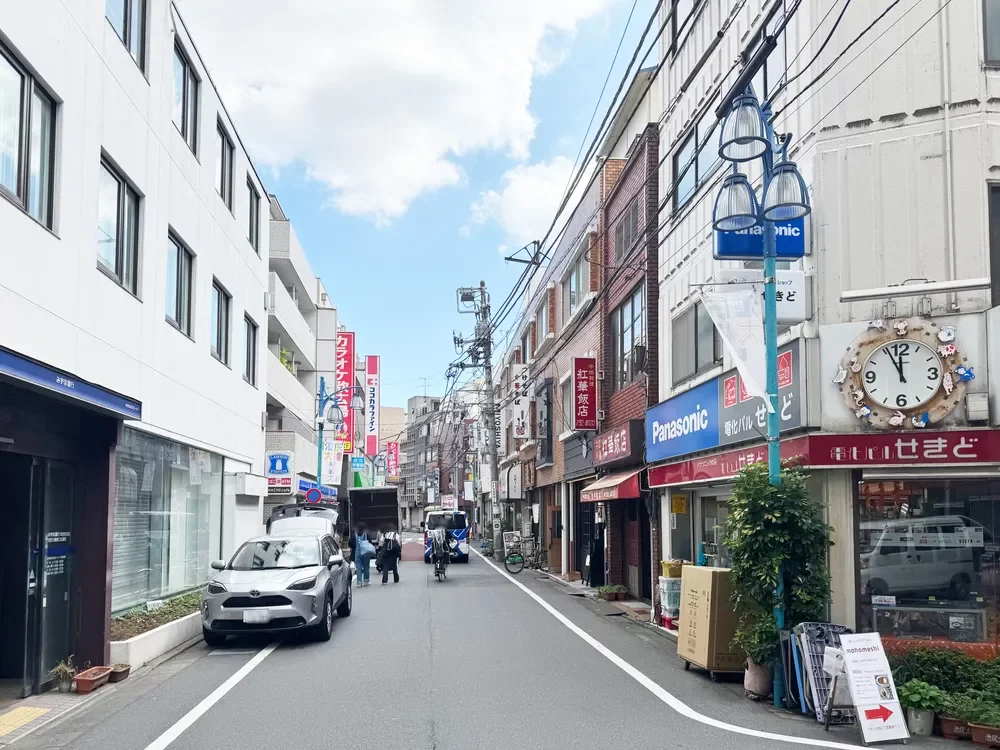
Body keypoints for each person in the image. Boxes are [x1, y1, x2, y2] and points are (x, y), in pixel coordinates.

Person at [348, 522, 374, 587]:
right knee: (366, 567)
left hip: (357, 553)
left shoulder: (355, 534)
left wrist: (354, 547)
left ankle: (359, 582)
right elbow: (370, 541)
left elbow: (350, 542)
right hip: (365, 553)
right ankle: (366, 580)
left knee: (358, 568)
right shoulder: (366, 534)